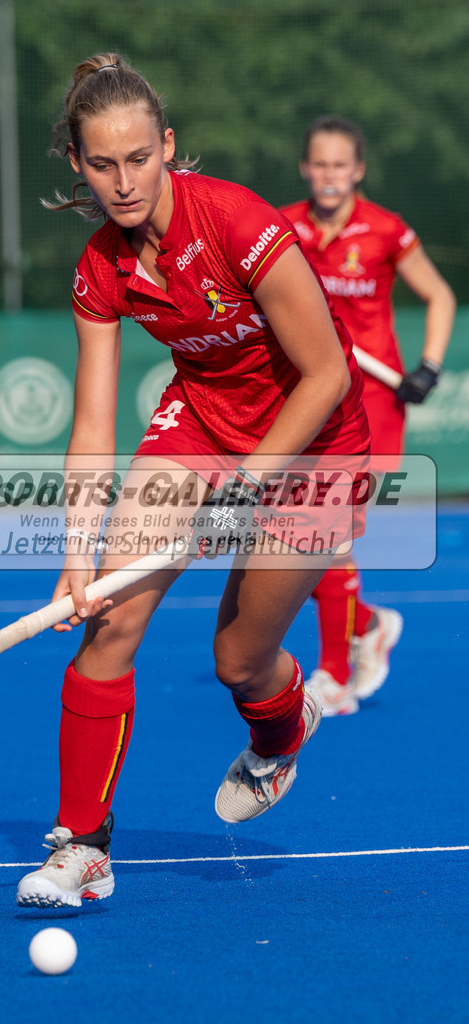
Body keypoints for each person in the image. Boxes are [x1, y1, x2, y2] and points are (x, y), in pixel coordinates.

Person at [16, 54, 371, 910]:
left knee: (239, 662)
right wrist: (78, 558)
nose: (123, 180)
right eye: (102, 164)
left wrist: (249, 488)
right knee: (108, 620)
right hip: (202, 425)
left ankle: (281, 729)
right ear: (77, 163)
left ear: (167, 146)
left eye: (139, 158)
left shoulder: (237, 224)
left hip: (316, 447)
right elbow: (94, 426)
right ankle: (83, 849)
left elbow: (324, 373)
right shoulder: (100, 268)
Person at [280, 115, 456, 716]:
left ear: (358, 170)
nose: (329, 176)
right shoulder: (282, 228)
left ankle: (333, 674)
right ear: (306, 168)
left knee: (326, 534)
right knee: (301, 538)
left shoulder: (386, 231)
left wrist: (428, 366)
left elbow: (440, 294)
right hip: (310, 398)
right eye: (319, 164)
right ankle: (369, 625)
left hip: (375, 404)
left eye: (340, 165)